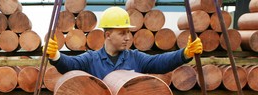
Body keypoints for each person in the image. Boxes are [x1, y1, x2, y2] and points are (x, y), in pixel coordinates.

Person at [45, 6, 203, 80]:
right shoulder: (91, 59)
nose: (128, 37)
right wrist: (56, 56)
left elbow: (160, 62)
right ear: (108, 35)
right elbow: (70, 65)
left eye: (128, 32)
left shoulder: (135, 58)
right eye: (122, 33)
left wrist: (185, 53)